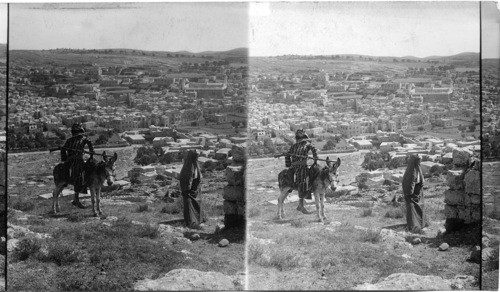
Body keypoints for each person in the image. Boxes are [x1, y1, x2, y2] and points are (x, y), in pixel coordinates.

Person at [60, 123, 94, 209]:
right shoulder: (70, 140)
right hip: (75, 161)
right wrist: (65, 159)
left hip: (78, 160)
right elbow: (63, 149)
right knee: (78, 175)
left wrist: (91, 153)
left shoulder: (83, 139)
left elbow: (91, 146)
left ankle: (86, 185)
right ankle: (76, 199)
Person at [285, 129, 318, 214]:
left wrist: (289, 165)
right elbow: (314, 150)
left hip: (295, 167)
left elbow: (287, 155)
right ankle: (301, 205)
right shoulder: (305, 144)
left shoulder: (294, 146)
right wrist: (315, 160)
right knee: (303, 183)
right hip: (301, 167)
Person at [179, 150, 204, 229]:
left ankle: (198, 220)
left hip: (195, 187)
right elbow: (186, 179)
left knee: (198, 203)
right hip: (188, 189)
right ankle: (191, 221)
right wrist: (188, 188)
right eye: (196, 156)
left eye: (197, 156)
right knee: (189, 204)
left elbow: (198, 176)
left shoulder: (195, 164)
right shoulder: (188, 166)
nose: (197, 158)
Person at [402, 154, 426, 232]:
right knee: (412, 209)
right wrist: (410, 193)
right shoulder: (411, 170)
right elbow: (410, 182)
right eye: (418, 160)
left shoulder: (417, 168)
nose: (420, 162)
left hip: (417, 192)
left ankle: (420, 224)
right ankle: (413, 226)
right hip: (412, 194)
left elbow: (420, 180)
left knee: (418, 208)